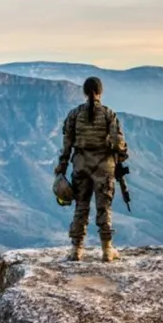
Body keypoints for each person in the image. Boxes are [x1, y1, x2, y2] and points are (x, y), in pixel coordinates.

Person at [54, 76, 129, 262]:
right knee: (104, 207)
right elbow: (119, 143)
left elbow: (67, 145)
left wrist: (62, 166)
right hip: (104, 167)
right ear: (100, 92)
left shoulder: (74, 114)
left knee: (81, 206)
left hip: (80, 165)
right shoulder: (108, 114)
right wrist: (120, 155)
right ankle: (106, 250)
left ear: (84, 92)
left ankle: (76, 250)